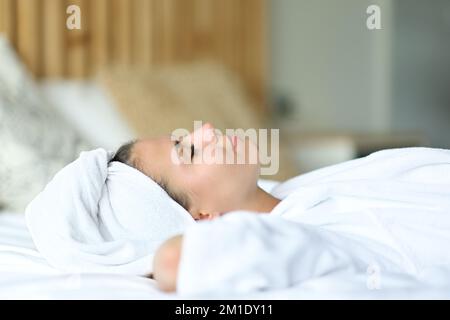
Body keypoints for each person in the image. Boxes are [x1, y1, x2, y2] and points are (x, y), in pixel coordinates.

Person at [110, 123, 450, 294]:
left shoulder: (298, 191)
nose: (207, 130)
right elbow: (175, 261)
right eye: (191, 153)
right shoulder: (280, 240)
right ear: (201, 217)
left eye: (184, 138)